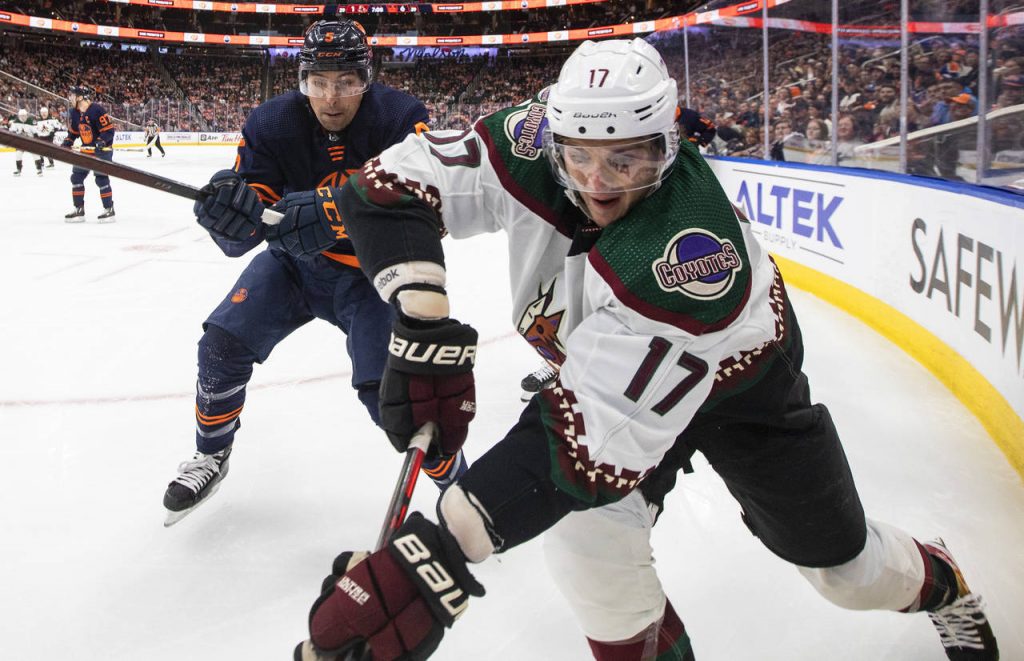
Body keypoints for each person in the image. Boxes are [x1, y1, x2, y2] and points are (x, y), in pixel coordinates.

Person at [250, 39, 1000, 661]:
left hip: (741, 392)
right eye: (579, 158)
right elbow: (394, 181)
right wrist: (423, 320)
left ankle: (941, 584)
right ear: (552, 136)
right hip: (611, 377)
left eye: (628, 161)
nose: (598, 184)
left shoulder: (693, 258)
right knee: (588, 550)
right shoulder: (530, 140)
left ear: (668, 147)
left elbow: (585, 440)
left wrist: (434, 556)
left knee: (844, 571)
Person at [161, 18, 465, 527]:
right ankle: (211, 454)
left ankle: (457, 483)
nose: (331, 98)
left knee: (395, 398)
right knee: (221, 346)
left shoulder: (400, 118)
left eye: (345, 82)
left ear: (367, 78)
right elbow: (246, 224)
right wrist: (228, 215)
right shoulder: (272, 122)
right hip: (294, 266)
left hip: (372, 277)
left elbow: (433, 210)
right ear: (302, 79)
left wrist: (336, 211)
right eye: (318, 82)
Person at [61, 86, 116, 222]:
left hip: (101, 151)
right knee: (76, 177)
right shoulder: (75, 112)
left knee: (101, 179)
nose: (70, 98)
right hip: (86, 150)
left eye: (72, 95)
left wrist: (101, 141)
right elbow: (74, 132)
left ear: (80, 97)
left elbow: (109, 130)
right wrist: (68, 141)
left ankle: (109, 209)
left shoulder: (97, 110)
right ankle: (79, 210)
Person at [8, 108, 43, 176]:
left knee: (36, 155)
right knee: (18, 155)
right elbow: (12, 131)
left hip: (30, 141)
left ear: (27, 115)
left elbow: (36, 133)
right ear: (19, 116)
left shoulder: (31, 122)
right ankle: (18, 170)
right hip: (20, 142)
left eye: (24, 115)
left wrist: (36, 141)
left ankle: (39, 170)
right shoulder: (15, 122)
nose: (23, 117)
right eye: (21, 116)